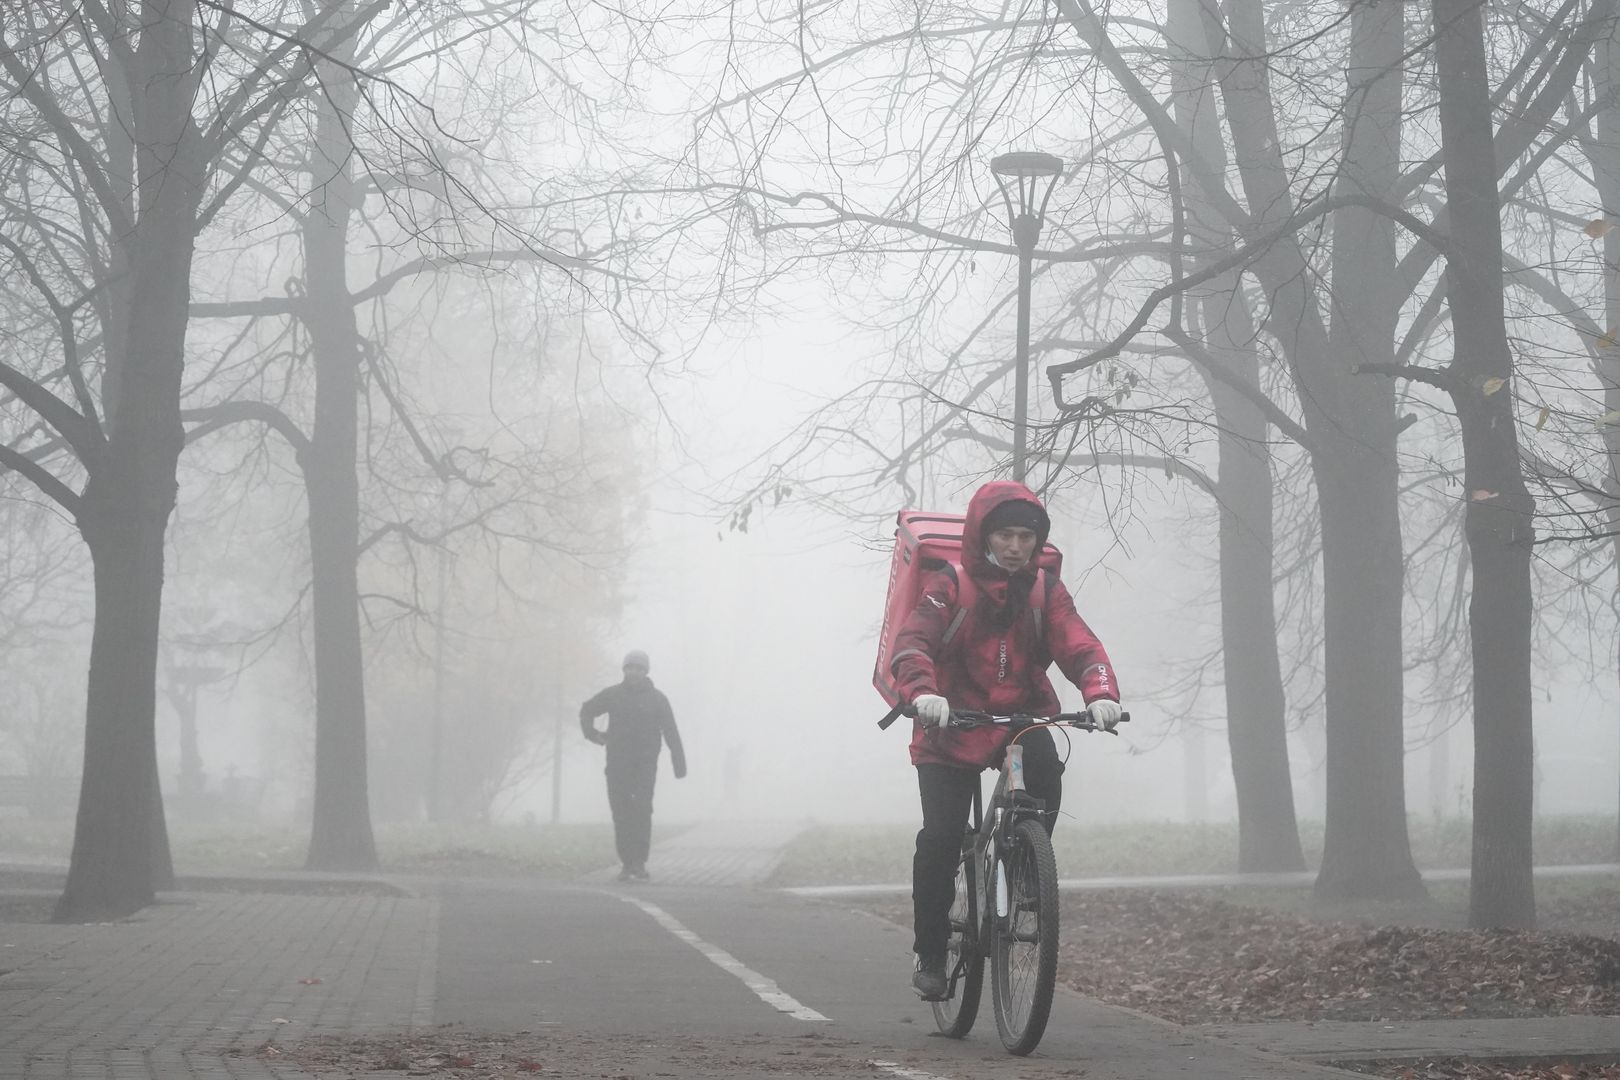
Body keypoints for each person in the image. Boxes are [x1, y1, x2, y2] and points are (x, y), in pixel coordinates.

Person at [890, 480, 1122, 1000]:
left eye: (1025, 536)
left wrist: (1101, 691)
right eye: (1004, 535)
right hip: (950, 722)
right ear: (983, 536)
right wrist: (924, 693)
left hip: (1019, 717)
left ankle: (1025, 873)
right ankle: (930, 951)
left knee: (1045, 771)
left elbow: (1079, 643)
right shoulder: (948, 584)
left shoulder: (1044, 590)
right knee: (941, 837)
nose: (1015, 546)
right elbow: (913, 644)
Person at [579, 650, 687, 882]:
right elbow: (587, 709)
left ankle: (639, 863)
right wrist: (593, 734)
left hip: (645, 766)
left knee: (642, 809)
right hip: (617, 764)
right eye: (630, 667)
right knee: (621, 812)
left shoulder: (658, 699)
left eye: (639, 668)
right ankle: (626, 863)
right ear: (624, 670)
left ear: (646, 671)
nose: (634, 672)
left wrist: (679, 764)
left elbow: (671, 731)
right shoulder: (613, 695)